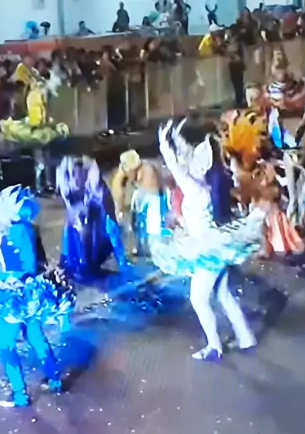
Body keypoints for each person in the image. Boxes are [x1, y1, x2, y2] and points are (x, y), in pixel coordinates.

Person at [0, 185, 76, 407]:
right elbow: (41, 263)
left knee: (6, 346)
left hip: (7, 300)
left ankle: (20, 395)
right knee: (37, 337)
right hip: (32, 296)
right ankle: (55, 380)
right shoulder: (31, 229)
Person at [150, 119, 259, 361]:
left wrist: (165, 147)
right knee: (223, 295)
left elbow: (178, 170)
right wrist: (176, 139)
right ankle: (246, 337)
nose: (185, 160)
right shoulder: (201, 183)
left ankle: (214, 346)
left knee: (198, 299)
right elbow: (184, 161)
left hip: (209, 252)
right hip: (213, 247)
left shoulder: (194, 187)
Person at [56, 155, 129, 279]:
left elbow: (111, 226)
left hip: (100, 223)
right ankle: (81, 265)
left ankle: (89, 266)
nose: (76, 178)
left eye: (77, 174)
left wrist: (121, 260)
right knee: (75, 224)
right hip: (84, 217)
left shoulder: (97, 189)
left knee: (87, 225)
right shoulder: (68, 181)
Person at [111, 149, 167, 256]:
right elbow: (119, 187)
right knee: (135, 224)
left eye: (128, 170)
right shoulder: (127, 171)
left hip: (153, 196)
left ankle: (154, 250)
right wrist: (118, 210)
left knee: (152, 228)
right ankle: (140, 246)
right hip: (142, 193)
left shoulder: (148, 172)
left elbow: (157, 195)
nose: (126, 173)